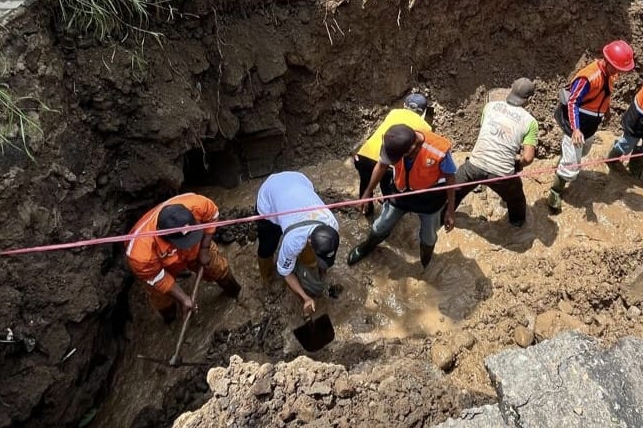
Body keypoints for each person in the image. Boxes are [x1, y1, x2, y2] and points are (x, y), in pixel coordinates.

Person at [348, 123, 457, 269]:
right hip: (401, 192)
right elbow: (382, 165)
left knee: (429, 237)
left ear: (412, 149)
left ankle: (425, 262)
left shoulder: (438, 150)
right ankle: (366, 247)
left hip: (430, 197)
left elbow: (451, 178)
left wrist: (450, 210)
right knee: (381, 225)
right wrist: (367, 192)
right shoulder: (393, 143)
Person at [547, 41, 636, 212]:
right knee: (572, 166)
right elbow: (573, 102)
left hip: (590, 125)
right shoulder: (589, 77)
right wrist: (575, 129)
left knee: (584, 152)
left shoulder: (610, 74)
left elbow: (604, 93)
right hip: (576, 126)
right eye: (617, 68)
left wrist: (606, 109)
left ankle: (563, 163)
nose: (619, 72)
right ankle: (555, 192)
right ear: (608, 61)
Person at [126, 193, 240, 322]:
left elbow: (212, 216)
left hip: (197, 248)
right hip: (159, 264)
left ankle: (235, 292)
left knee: (217, 267)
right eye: (184, 242)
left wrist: (204, 249)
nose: (187, 244)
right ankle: (170, 317)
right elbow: (156, 277)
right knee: (161, 297)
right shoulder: (141, 254)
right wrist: (183, 298)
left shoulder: (197, 204)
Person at [453, 78, 538, 227]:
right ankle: (517, 224)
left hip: (474, 166)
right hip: (502, 174)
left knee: (453, 191)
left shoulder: (490, 107)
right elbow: (529, 158)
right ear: (529, 100)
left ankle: (441, 217)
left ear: (511, 91)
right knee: (516, 199)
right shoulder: (530, 122)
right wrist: (518, 165)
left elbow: (485, 132)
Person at [255, 172, 340, 316]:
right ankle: (266, 277)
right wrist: (305, 298)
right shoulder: (293, 241)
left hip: (298, 180)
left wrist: (323, 269)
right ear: (309, 241)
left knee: (309, 258)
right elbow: (286, 274)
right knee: (267, 247)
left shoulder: (332, 224)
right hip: (269, 201)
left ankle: (311, 264)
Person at [353, 92, 432, 216]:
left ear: (405, 106)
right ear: (423, 112)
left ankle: (366, 211)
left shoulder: (394, 112)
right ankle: (387, 216)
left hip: (363, 157)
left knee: (366, 184)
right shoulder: (426, 127)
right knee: (388, 190)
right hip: (388, 164)